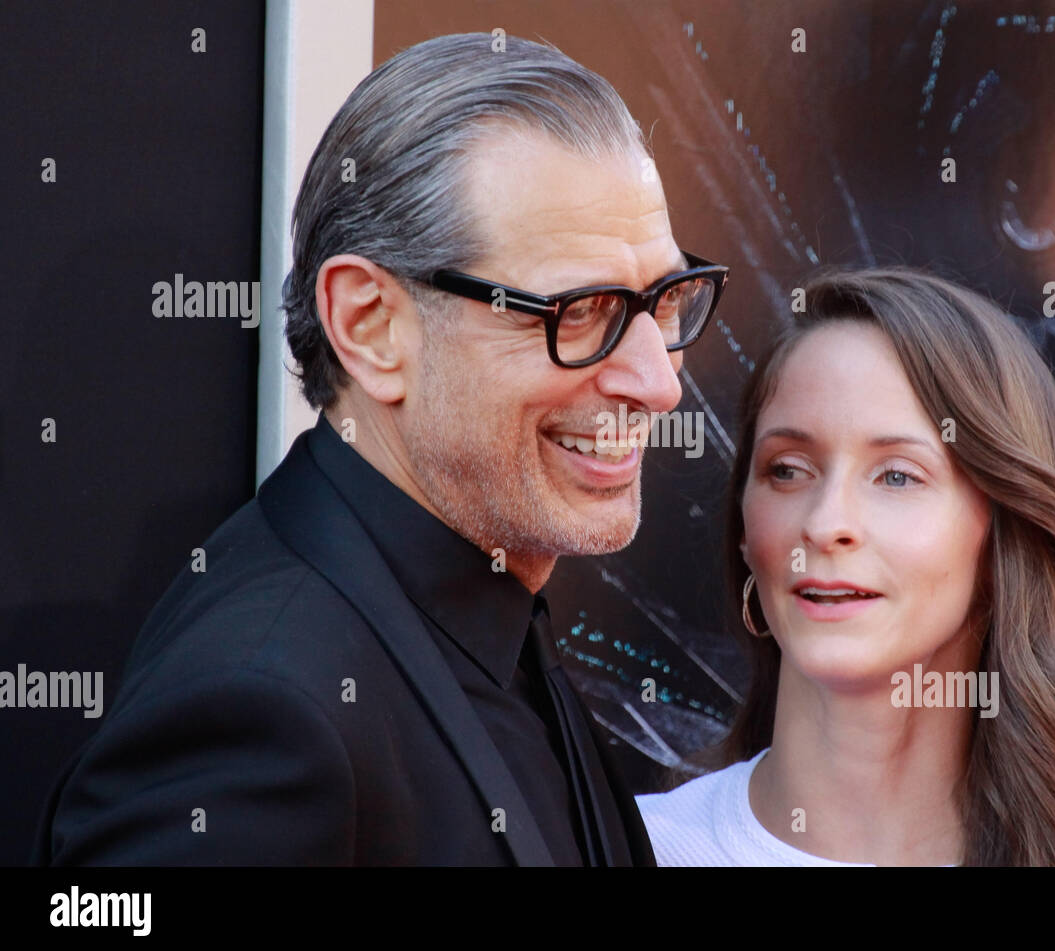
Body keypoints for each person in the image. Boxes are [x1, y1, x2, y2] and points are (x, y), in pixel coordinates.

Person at [33, 32, 728, 866]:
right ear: (370, 326)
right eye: (579, 313)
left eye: (666, 300)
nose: (658, 383)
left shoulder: (489, 608)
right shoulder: (267, 706)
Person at [636, 267, 1055, 866]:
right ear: (744, 530)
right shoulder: (628, 848)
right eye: (787, 470)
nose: (824, 523)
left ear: (1006, 534)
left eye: (897, 475)